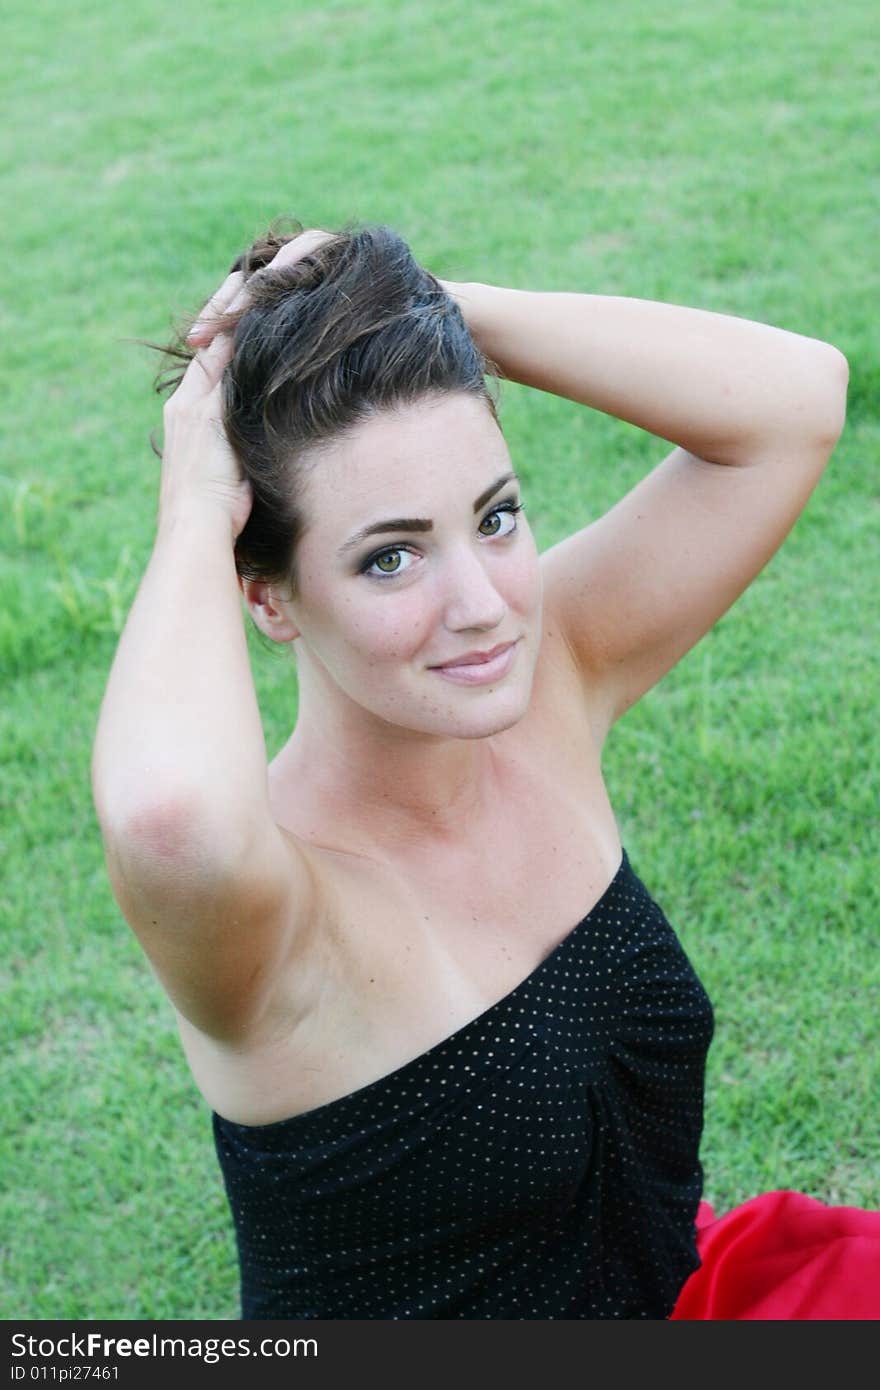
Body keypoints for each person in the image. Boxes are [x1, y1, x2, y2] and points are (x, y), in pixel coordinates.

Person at [91, 219, 875, 1320]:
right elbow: (168, 815)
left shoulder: (548, 676)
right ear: (265, 596)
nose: (484, 605)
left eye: (495, 517)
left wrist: (435, 311)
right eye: (390, 555)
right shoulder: (270, 910)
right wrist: (193, 504)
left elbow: (792, 404)